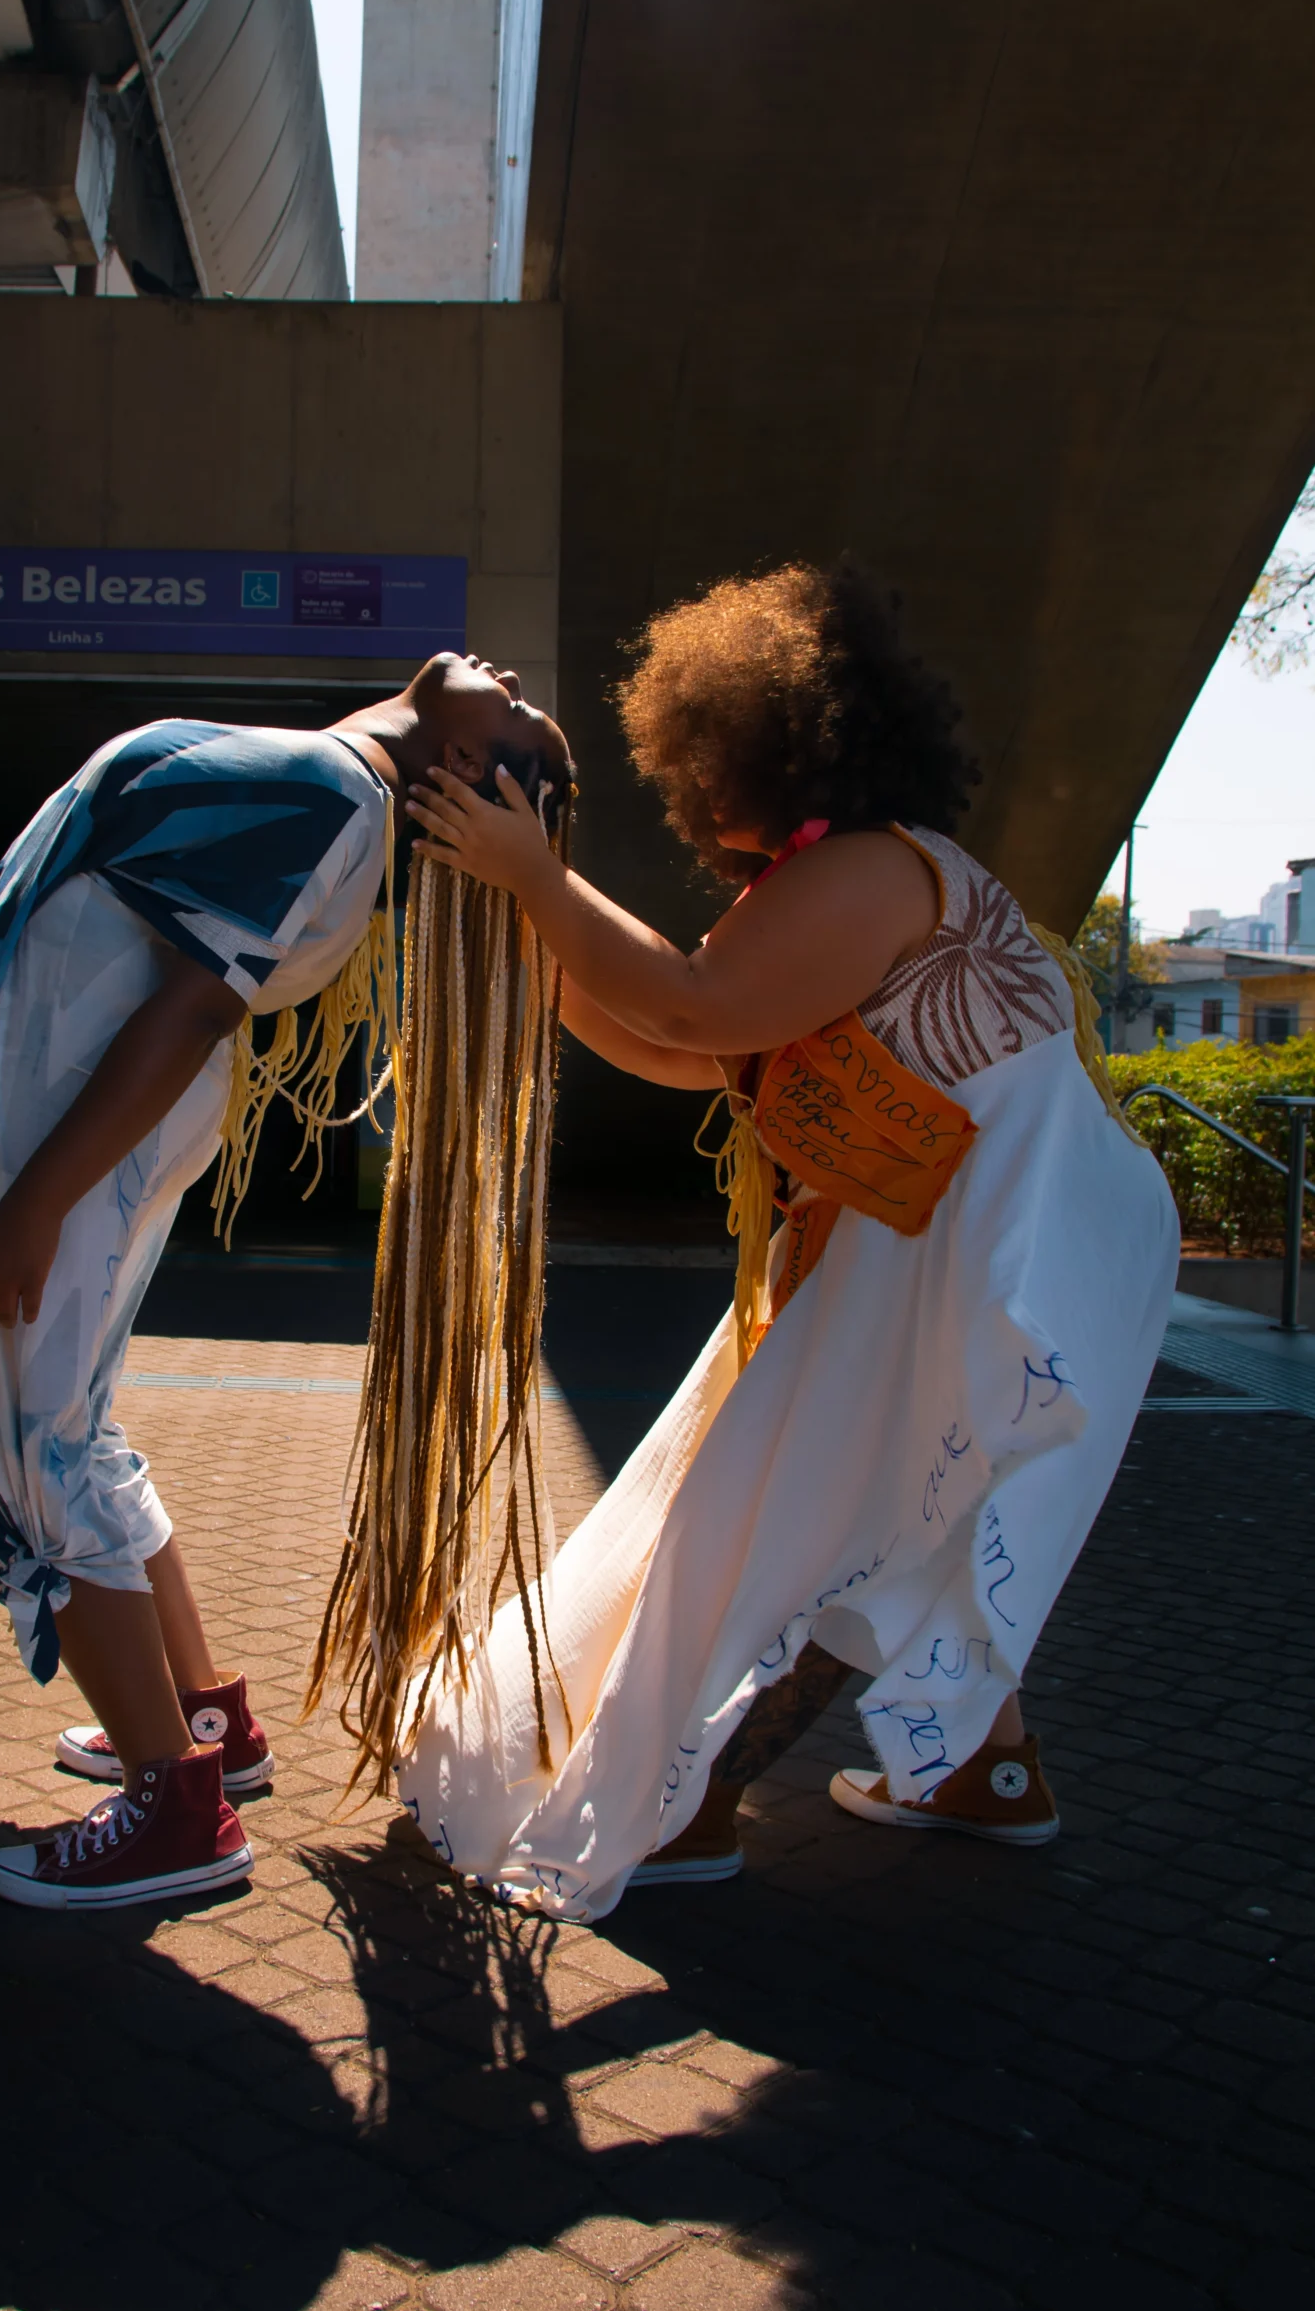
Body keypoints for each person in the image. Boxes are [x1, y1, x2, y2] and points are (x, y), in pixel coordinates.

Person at [401, 562, 1177, 1921]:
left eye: (699, 755)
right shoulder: (822, 885)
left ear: (774, 739)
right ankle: (979, 1776)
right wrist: (535, 921)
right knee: (900, 1503)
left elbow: (694, 1013)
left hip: (996, 1245)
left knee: (815, 1503)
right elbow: (681, 1047)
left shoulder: (872, 869)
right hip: (960, 1237)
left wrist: (538, 878)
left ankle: (687, 1799)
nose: (688, 790)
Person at [0, 655, 569, 1911]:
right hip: (62, 1112)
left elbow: (193, 1012)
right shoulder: (335, 782)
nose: (512, 675)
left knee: (28, 1442)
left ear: (475, 770)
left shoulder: (337, 798)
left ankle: (174, 1810)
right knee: (69, 1428)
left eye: (525, 715)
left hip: (73, 1128)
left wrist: (35, 1202)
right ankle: (205, 1721)